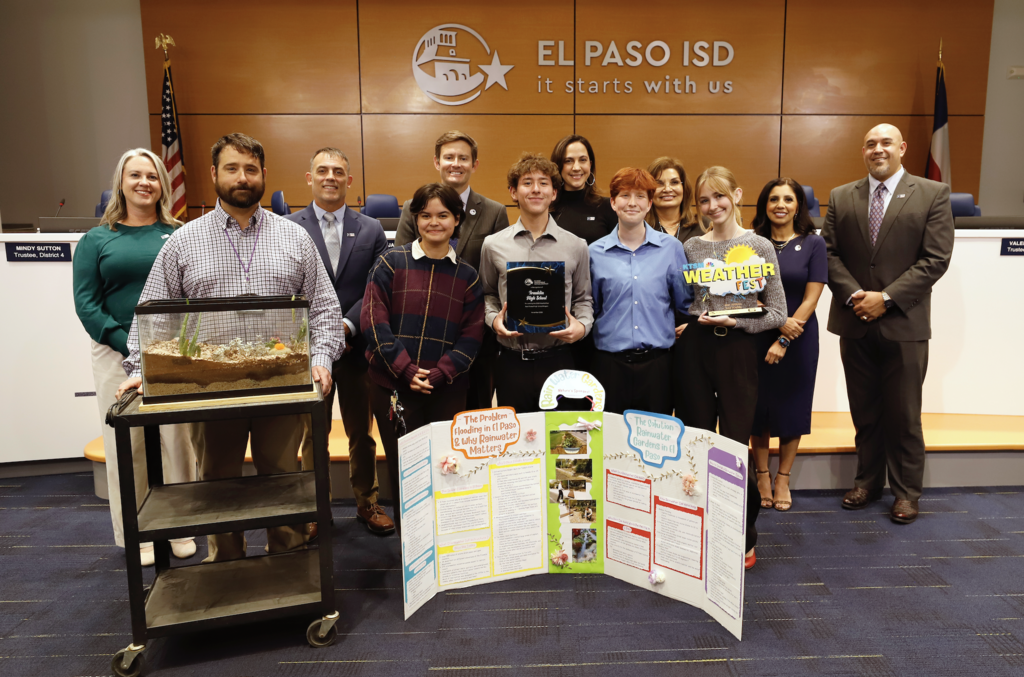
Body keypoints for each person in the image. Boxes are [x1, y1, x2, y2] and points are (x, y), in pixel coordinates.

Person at [118, 133, 344, 562]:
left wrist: (320, 359)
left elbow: (326, 312)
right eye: (232, 168)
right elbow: (154, 313)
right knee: (218, 478)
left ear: (264, 176)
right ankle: (225, 562)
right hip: (209, 391)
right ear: (213, 175)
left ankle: (289, 560)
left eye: (251, 169)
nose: (242, 177)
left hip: (281, 384)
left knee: (282, 477)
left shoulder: (295, 238)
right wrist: (139, 367)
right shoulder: (183, 241)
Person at [822, 123, 954, 524]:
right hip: (855, 320)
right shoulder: (841, 196)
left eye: (885, 143)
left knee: (904, 415)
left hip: (904, 323)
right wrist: (858, 297)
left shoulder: (932, 193)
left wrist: (887, 298)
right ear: (863, 151)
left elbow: (935, 259)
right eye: (870, 144)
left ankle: (906, 493)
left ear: (902, 148)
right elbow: (827, 254)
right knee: (865, 411)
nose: (878, 149)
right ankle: (867, 482)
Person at [73, 148, 196, 567]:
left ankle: (180, 526)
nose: (144, 182)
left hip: (172, 353)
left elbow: (191, 296)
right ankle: (138, 532)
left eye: (152, 175)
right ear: (120, 183)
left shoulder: (179, 233)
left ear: (163, 183)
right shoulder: (97, 239)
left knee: (177, 442)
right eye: (135, 175)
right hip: (114, 352)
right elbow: (87, 304)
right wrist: (128, 344)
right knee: (126, 445)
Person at [678, 166, 787, 570]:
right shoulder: (691, 247)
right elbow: (689, 303)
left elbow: (777, 312)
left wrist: (737, 323)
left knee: (735, 446)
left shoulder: (759, 245)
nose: (712, 206)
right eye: (704, 200)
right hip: (695, 353)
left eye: (719, 197)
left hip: (739, 352)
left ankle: (744, 536)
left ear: (736, 194)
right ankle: (700, 529)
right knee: (698, 443)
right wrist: (689, 321)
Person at [362, 183, 485, 534]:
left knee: (445, 466)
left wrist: (438, 373)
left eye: (443, 215)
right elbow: (373, 320)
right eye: (425, 215)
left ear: (457, 219)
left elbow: (472, 336)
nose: (434, 222)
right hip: (393, 387)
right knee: (405, 470)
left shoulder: (467, 276)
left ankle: (445, 541)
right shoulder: (390, 261)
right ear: (415, 219)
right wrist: (406, 369)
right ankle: (412, 546)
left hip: (444, 389)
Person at [285, 147, 393, 536]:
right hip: (311, 349)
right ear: (309, 178)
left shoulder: (371, 229)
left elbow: (378, 286)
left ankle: (368, 502)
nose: (330, 177)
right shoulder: (288, 227)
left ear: (350, 180)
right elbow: (288, 287)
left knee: (361, 432)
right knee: (312, 432)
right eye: (322, 170)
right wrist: (323, 334)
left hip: (357, 346)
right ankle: (315, 508)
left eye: (338, 171)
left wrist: (347, 326)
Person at [395, 130, 509, 411]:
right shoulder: (413, 207)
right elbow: (401, 266)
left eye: (463, 158)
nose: (455, 163)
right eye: (449, 157)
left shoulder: (494, 212)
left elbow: (499, 275)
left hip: (475, 335)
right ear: (437, 162)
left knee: (476, 413)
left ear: (474, 164)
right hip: (424, 332)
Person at [479, 153, 593, 413]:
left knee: (562, 447)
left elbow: (583, 299)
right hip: (510, 363)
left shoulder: (576, 246)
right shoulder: (493, 245)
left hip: (560, 361)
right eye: (527, 182)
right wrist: (494, 320)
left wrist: (583, 326)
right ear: (513, 192)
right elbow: (487, 295)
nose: (536, 190)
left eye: (543, 183)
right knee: (516, 449)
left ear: (554, 193)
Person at [748, 178, 827, 512]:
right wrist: (777, 321)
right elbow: (745, 292)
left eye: (788, 199)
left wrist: (784, 336)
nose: (780, 205)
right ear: (764, 205)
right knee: (758, 408)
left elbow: (813, 295)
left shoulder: (813, 243)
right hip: (756, 332)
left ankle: (783, 477)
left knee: (792, 405)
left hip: (799, 335)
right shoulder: (750, 243)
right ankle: (762, 473)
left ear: (798, 206)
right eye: (773, 199)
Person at [588, 167, 691, 415]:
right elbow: (592, 307)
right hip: (609, 366)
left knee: (656, 448)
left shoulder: (672, 248)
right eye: (624, 195)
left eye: (640, 196)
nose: (632, 203)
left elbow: (684, 303)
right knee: (612, 447)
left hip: (658, 366)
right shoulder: (594, 252)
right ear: (613, 202)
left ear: (649, 203)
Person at [646, 156, 705, 418]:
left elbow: (716, 286)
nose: (668, 188)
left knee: (692, 414)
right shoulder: (637, 230)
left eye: (675, 182)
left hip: (695, 331)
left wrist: (694, 325)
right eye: (659, 183)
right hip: (651, 335)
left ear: (685, 188)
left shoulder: (704, 230)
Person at [549, 135, 616, 245]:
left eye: (582, 160)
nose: (576, 167)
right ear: (558, 166)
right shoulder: (547, 209)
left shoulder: (608, 207)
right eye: (568, 161)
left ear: (590, 164)